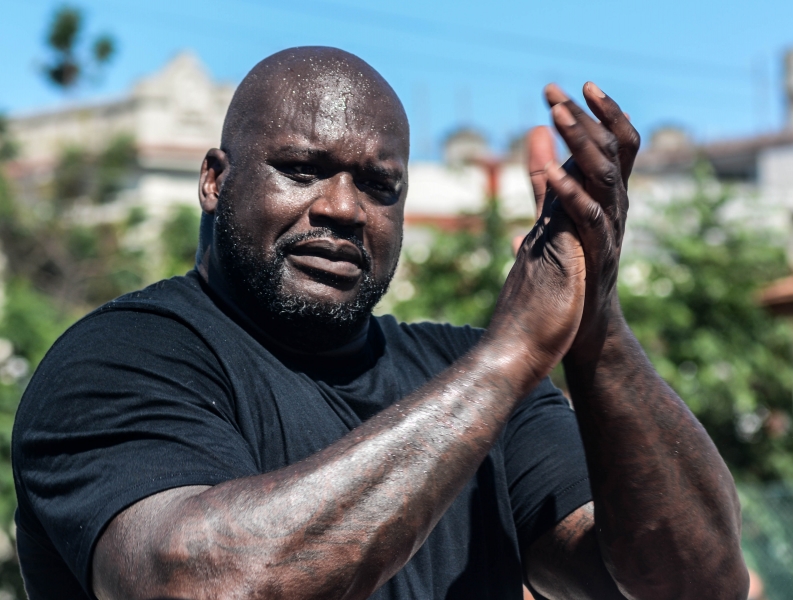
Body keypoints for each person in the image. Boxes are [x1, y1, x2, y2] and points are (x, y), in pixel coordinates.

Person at [12, 46, 748, 600]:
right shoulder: (121, 357)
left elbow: (687, 584)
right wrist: (511, 354)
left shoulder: (474, 379)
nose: (341, 208)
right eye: (301, 169)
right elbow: (203, 583)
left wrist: (595, 325)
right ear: (214, 179)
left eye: (378, 185)